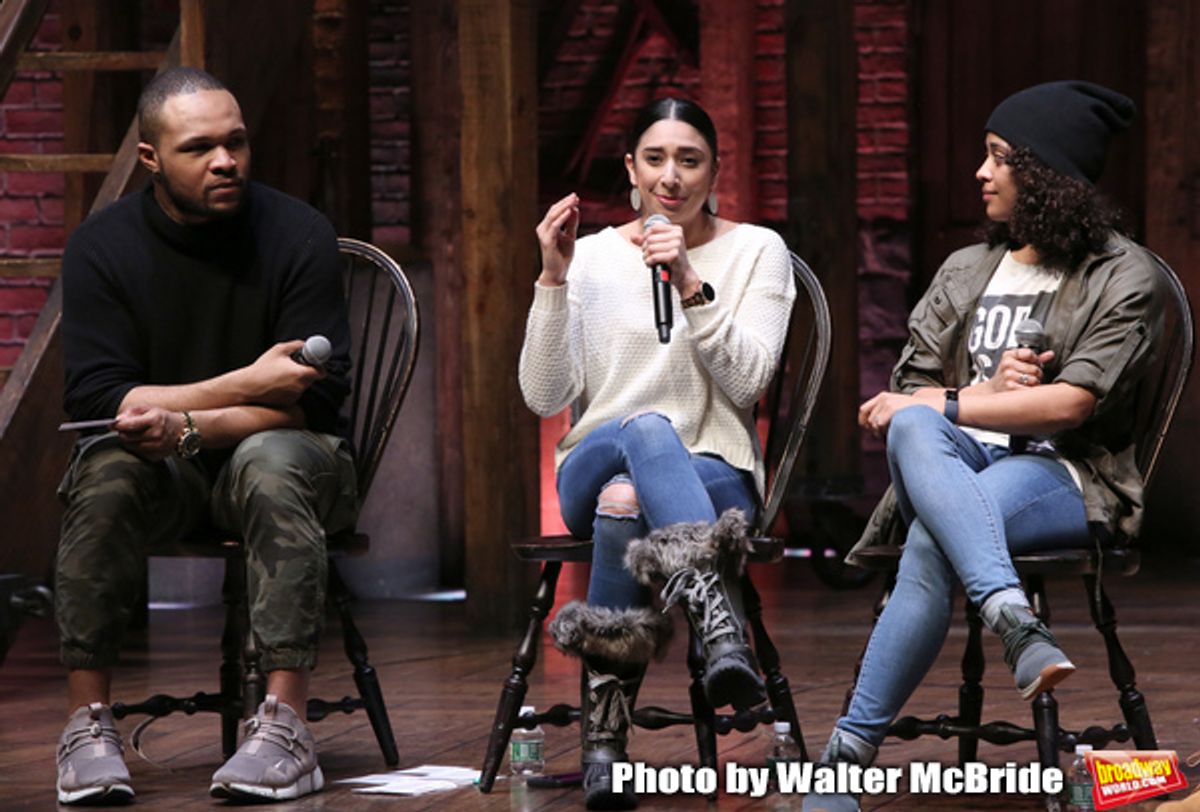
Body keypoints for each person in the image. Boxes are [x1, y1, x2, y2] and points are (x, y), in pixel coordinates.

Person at [802, 81, 1164, 812]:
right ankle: (1013, 619)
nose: (981, 172)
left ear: (1047, 174)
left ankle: (846, 757)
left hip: (1064, 471)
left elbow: (1071, 404)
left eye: (1000, 158)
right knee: (913, 431)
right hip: (958, 463)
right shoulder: (967, 268)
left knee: (935, 540)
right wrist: (981, 390)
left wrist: (971, 402)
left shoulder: (1125, 275)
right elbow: (906, 398)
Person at [53, 67, 356, 805]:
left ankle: (284, 723)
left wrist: (188, 421)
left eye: (236, 142)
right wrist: (245, 384)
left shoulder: (297, 232)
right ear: (152, 157)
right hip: (166, 467)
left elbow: (310, 405)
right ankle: (87, 725)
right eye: (200, 148)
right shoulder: (102, 246)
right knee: (105, 472)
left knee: (269, 458)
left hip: (293, 458)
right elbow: (102, 401)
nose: (226, 161)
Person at [519, 96, 796, 809]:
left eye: (690, 159)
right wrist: (553, 277)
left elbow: (748, 381)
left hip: (714, 475)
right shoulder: (593, 259)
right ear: (631, 169)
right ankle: (716, 624)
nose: (671, 176)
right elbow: (544, 394)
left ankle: (604, 749)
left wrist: (691, 285)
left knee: (627, 503)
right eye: (655, 159)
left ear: (714, 170)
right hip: (595, 457)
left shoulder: (756, 250)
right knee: (642, 433)